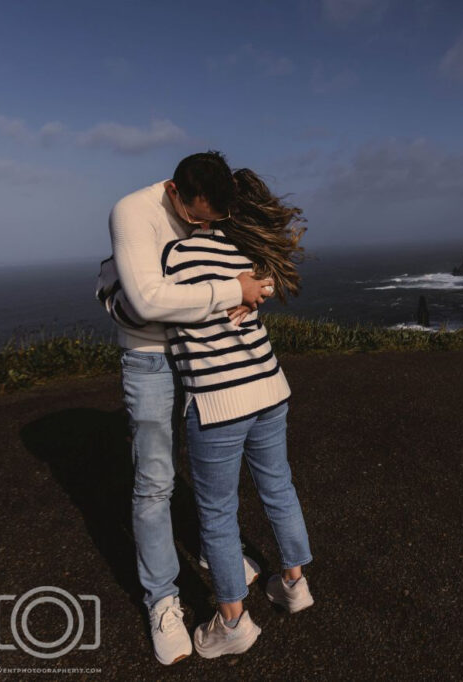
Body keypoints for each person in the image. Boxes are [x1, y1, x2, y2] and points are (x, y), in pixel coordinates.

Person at [101, 151, 276, 665]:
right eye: (197, 218)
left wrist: (253, 291)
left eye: (212, 222)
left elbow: (241, 267)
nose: (203, 227)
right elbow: (149, 300)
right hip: (152, 359)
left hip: (207, 354)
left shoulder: (215, 209)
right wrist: (230, 290)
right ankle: (163, 600)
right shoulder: (133, 211)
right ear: (175, 190)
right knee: (155, 482)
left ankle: (210, 547)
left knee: (208, 467)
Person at [160, 167, 313, 659]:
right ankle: (294, 584)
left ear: (188, 201)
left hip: (219, 400)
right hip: (269, 387)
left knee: (218, 513)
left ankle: (233, 622)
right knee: (278, 486)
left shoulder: (175, 256)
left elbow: (146, 304)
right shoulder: (246, 253)